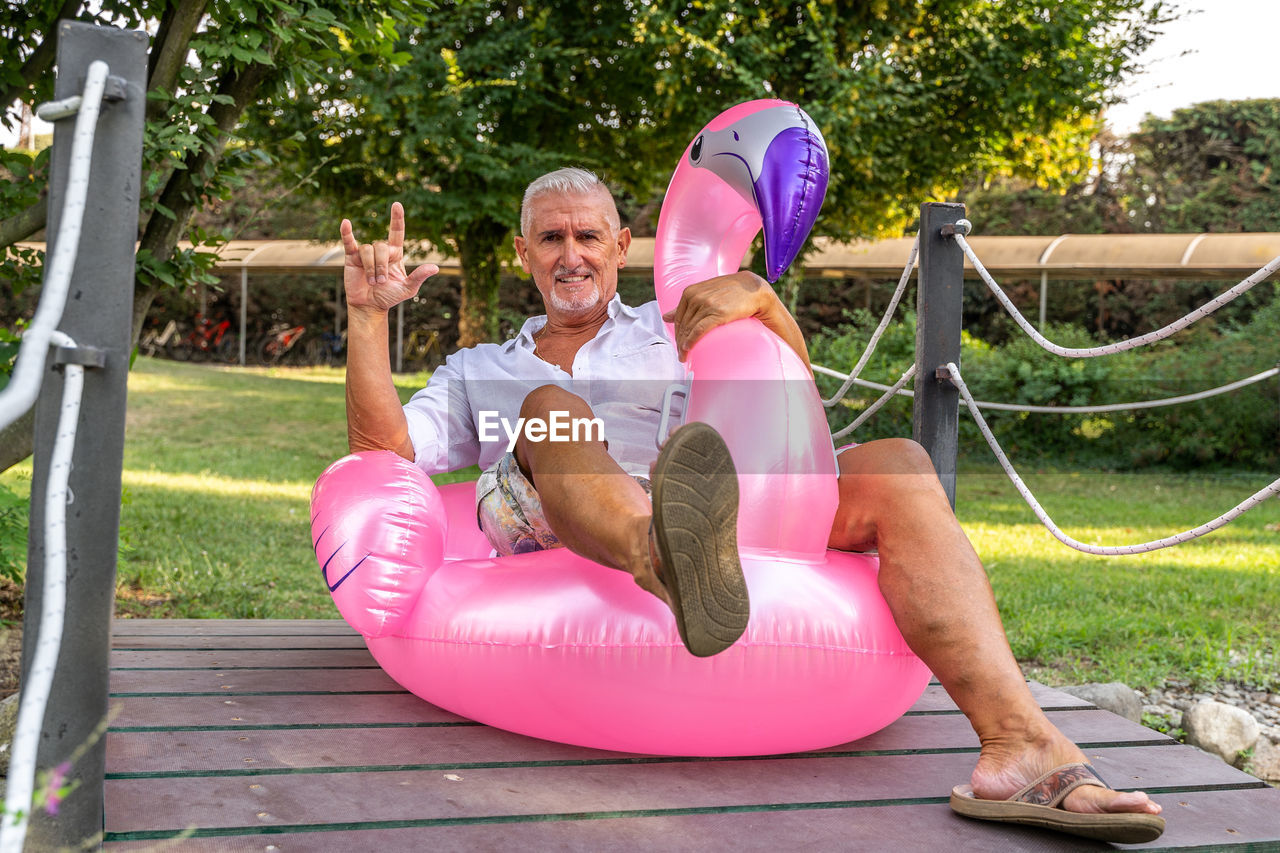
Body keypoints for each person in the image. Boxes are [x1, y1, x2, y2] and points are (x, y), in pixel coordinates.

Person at [339, 168, 1164, 843]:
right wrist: (368, 318)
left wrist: (762, 303)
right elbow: (386, 449)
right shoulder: (484, 366)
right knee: (554, 403)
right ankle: (663, 554)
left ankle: (1019, 744)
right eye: (550, 237)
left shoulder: (671, 327)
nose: (571, 254)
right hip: (544, 505)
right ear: (523, 251)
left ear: (623, 246)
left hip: (708, 490)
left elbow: (785, 398)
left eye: (588, 235)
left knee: (899, 466)